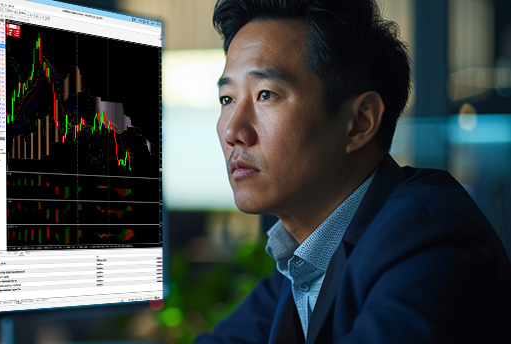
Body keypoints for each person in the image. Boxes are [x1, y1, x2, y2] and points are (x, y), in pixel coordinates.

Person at [196, 0, 511, 343]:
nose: (233, 132)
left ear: (360, 122)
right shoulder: (306, 258)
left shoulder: (424, 237)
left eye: (266, 94)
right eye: (227, 99)